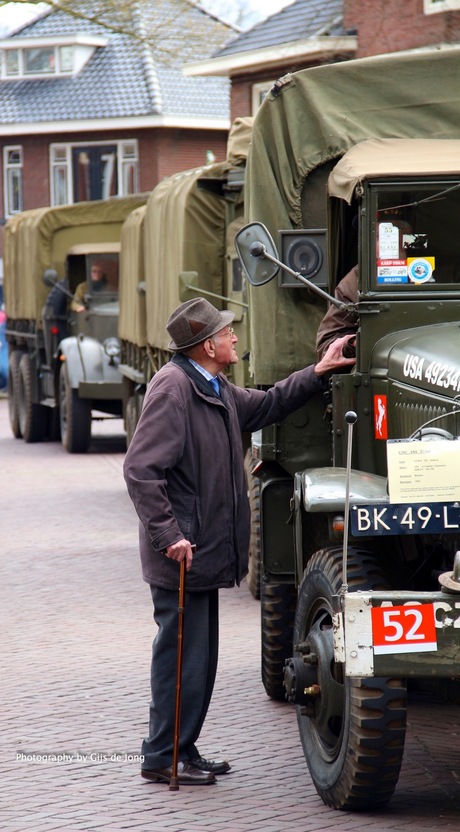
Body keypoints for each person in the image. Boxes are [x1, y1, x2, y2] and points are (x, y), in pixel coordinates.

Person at [123, 297, 355, 787]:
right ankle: (160, 755)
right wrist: (169, 536)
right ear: (208, 344)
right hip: (183, 554)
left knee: (196, 662)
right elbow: (141, 470)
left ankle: (180, 749)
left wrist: (319, 370)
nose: (234, 338)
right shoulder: (174, 389)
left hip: (200, 554)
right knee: (180, 658)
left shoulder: (213, 387)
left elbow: (267, 404)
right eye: (227, 333)